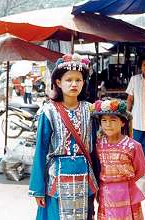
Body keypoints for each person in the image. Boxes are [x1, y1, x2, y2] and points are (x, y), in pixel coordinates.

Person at [29, 54, 98, 220]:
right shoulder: (48, 112)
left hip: (85, 179)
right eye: (69, 80)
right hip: (57, 179)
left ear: (84, 83)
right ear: (58, 83)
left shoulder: (90, 110)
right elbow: (40, 151)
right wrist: (38, 188)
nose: (74, 84)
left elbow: (95, 148)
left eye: (79, 80)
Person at [92, 98, 145, 220]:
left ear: (122, 122)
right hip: (106, 193)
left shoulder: (133, 146)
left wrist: (123, 183)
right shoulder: (98, 145)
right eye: (104, 120)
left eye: (113, 120)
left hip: (127, 193)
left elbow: (140, 170)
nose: (108, 124)